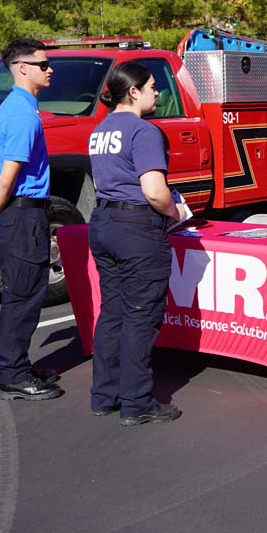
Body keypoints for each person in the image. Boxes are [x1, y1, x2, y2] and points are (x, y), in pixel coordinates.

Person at [86, 61, 185, 426]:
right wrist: (175, 214)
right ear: (133, 91)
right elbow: (155, 192)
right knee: (141, 316)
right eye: (152, 87)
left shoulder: (99, 130)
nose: (157, 93)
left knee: (112, 313)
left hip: (104, 222)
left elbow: (100, 184)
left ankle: (104, 395)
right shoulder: (143, 131)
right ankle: (137, 402)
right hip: (137, 227)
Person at [0, 38, 64, 402]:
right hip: (24, 215)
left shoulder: (12, 107)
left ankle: (18, 364)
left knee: (21, 292)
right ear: (22, 68)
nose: (49, 69)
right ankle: (13, 373)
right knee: (24, 296)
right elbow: (9, 173)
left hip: (19, 212)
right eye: (43, 64)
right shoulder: (23, 113)